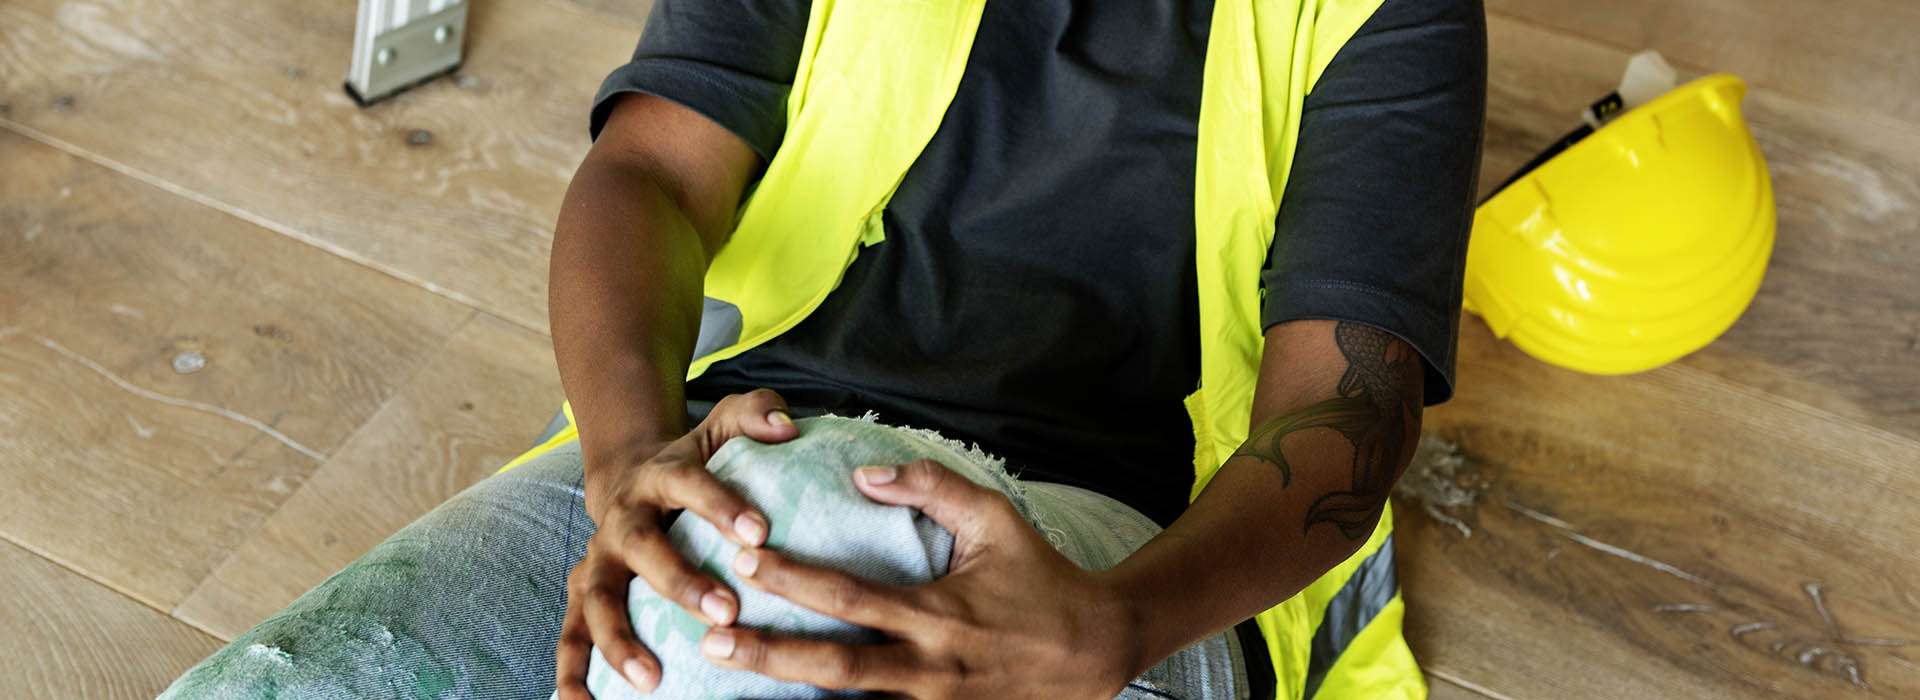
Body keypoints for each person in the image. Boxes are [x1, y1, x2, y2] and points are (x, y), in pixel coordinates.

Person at [160, 0, 1484, 697]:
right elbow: (652, 174)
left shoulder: (1387, 8)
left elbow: (1347, 398)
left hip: (1119, 546)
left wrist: (1116, 625)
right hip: (726, 447)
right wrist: (626, 460)